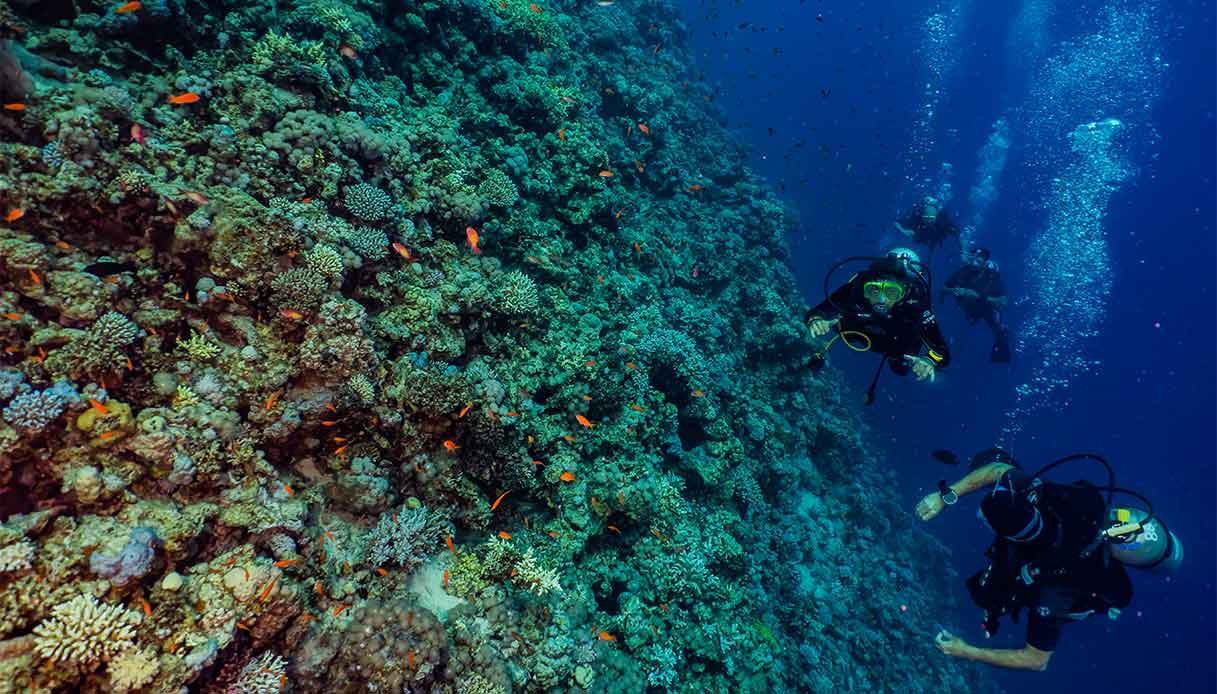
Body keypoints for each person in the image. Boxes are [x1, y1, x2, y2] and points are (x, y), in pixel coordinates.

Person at [914, 448, 1133, 672]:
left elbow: (1037, 660)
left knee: (990, 594)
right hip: (1080, 523)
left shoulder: (1055, 588)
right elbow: (997, 470)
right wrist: (946, 496)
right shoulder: (1046, 496)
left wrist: (967, 652)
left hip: (1079, 580)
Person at [805, 248, 950, 385]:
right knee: (843, 329)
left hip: (896, 345)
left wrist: (929, 360)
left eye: (892, 292)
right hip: (859, 331)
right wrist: (816, 320)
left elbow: (942, 351)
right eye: (873, 290)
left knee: (901, 368)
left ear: (905, 292)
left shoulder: (917, 305)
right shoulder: (858, 286)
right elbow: (818, 311)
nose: (881, 300)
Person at [942, 247, 1011, 363]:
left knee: (999, 330)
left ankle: (1002, 357)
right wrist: (953, 290)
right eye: (972, 260)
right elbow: (944, 288)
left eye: (978, 261)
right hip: (968, 310)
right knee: (958, 334)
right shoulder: (963, 271)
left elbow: (1003, 301)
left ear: (984, 263)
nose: (974, 264)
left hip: (987, 309)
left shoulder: (992, 276)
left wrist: (978, 296)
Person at [893, 196, 960, 251]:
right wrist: (903, 231)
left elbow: (957, 231)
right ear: (922, 216)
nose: (928, 221)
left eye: (931, 218)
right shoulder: (916, 218)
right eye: (926, 218)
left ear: (936, 217)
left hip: (934, 241)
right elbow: (896, 223)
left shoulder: (942, 220)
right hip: (919, 239)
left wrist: (962, 249)